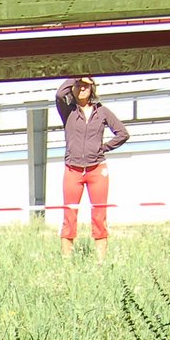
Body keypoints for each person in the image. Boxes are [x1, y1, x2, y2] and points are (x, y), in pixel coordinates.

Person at [53, 75, 129, 260]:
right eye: (78, 85)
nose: (82, 88)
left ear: (93, 88)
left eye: (86, 85)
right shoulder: (68, 111)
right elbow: (59, 94)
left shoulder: (102, 112)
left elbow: (123, 133)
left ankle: (100, 262)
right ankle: (66, 261)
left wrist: (103, 148)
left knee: (99, 214)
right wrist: (75, 76)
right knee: (69, 214)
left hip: (97, 170)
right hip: (73, 169)